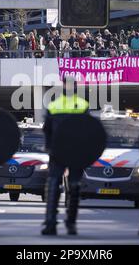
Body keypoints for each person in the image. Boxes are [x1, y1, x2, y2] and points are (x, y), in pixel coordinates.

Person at [41, 76, 89, 236]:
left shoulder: (81, 105)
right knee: (54, 185)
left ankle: (70, 223)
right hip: (60, 152)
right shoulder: (56, 105)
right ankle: (51, 223)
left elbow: (90, 132)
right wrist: (48, 149)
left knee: (74, 186)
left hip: (72, 152)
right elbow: (47, 130)